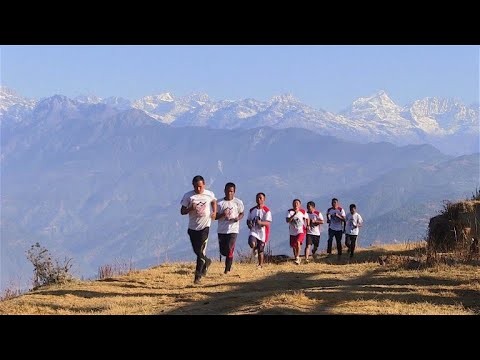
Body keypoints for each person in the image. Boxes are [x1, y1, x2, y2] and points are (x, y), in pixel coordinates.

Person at [180, 175, 217, 284]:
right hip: (192, 228)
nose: (198, 189)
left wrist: (214, 212)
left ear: (204, 185)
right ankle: (207, 261)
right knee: (197, 251)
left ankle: (197, 277)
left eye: (200, 186)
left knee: (200, 251)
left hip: (205, 227)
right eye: (196, 187)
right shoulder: (188, 196)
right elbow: (182, 211)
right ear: (193, 186)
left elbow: (214, 201)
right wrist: (190, 208)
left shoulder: (209, 194)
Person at [216, 182, 244, 274]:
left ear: (234, 192)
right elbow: (214, 217)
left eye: (231, 191)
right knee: (223, 251)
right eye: (227, 191)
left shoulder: (238, 202)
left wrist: (238, 218)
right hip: (222, 230)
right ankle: (227, 263)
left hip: (233, 229)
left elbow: (242, 213)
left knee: (229, 249)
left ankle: (227, 269)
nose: (229, 193)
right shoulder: (219, 203)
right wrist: (222, 215)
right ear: (224, 191)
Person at [246, 192, 272, 269]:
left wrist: (261, 223)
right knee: (252, 243)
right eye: (257, 198)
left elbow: (268, 222)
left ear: (264, 199)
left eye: (260, 198)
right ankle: (254, 248)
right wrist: (249, 224)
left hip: (263, 233)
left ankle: (260, 265)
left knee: (261, 250)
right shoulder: (252, 210)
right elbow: (248, 220)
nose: (259, 199)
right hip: (254, 231)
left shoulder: (267, 211)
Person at [286, 199, 309, 265]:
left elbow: (307, 218)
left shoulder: (303, 211)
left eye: (297, 203)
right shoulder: (289, 212)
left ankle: (297, 257)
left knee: (298, 242)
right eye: (294, 203)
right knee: (293, 245)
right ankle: (297, 257)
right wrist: (293, 215)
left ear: (300, 205)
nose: (296, 205)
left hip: (301, 230)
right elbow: (287, 220)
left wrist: (308, 225)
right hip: (292, 231)